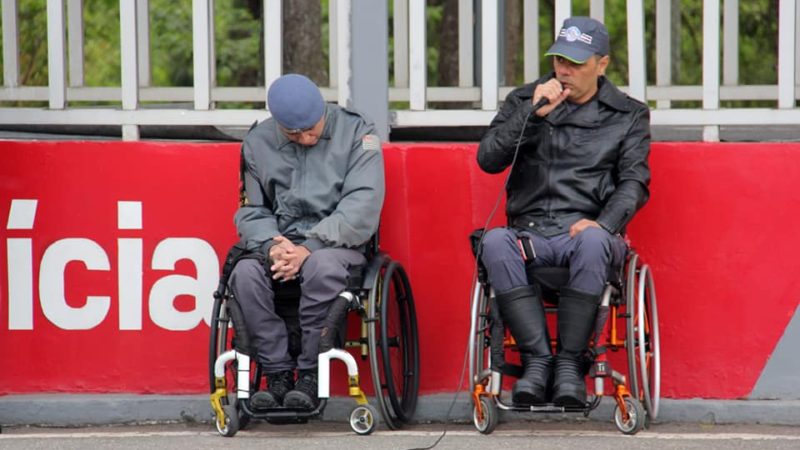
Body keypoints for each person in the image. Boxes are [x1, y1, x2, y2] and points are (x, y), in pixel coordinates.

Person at [476, 17, 650, 408]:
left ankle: (570, 364)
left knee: (593, 241)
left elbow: (634, 183)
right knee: (495, 242)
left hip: (589, 234)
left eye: (575, 63)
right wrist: (531, 115)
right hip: (530, 233)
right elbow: (488, 159)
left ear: (601, 64)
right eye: (559, 61)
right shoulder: (525, 101)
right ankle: (538, 362)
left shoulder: (628, 114)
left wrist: (603, 224)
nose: (564, 71)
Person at [229, 74, 385, 410]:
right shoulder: (257, 143)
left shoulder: (357, 133)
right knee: (243, 274)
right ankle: (277, 372)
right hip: (279, 243)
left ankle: (311, 373)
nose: (305, 138)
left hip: (337, 245)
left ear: (322, 111)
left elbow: (361, 207)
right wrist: (272, 246)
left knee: (321, 267)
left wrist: (309, 249)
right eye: (293, 134)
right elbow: (252, 210)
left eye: (311, 129)